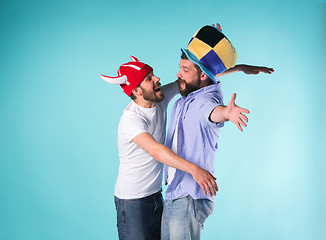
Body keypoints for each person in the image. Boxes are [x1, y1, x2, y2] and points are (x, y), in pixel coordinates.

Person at [161, 25, 274, 239]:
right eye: (180, 67)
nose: (178, 74)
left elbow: (212, 112)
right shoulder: (190, 93)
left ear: (202, 75)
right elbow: (208, 71)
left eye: (185, 70)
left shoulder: (204, 100)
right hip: (176, 192)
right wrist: (239, 67)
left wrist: (227, 113)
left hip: (189, 196)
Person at [100, 56, 218, 240]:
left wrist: (239, 68)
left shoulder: (159, 97)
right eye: (149, 79)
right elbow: (155, 150)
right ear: (137, 90)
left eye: (153, 75)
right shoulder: (131, 119)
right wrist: (195, 170)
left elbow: (197, 75)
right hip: (132, 203)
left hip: (156, 196)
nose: (157, 80)